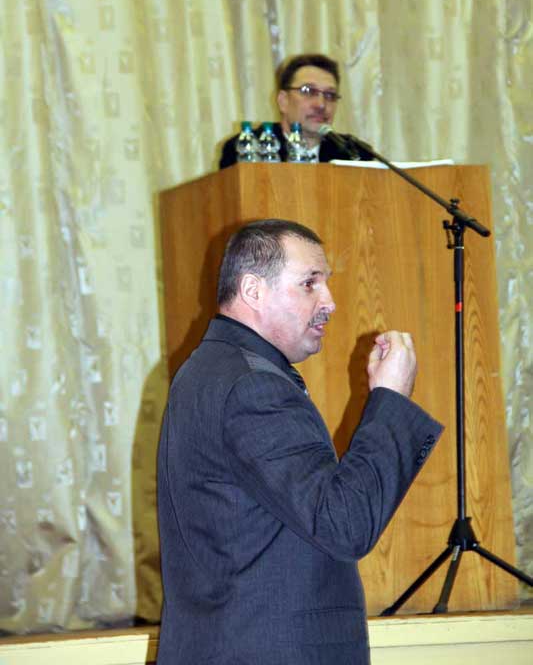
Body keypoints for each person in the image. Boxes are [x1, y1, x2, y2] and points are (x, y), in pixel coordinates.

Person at [156, 219, 443, 665]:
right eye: (310, 283)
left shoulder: (206, 370)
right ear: (253, 290)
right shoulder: (253, 386)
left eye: (326, 282)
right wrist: (390, 401)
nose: (329, 301)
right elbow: (345, 524)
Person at [219, 53, 374, 167]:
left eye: (330, 95)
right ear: (283, 101)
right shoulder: (249, 149)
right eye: (308, 91)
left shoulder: (354, 155)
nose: (321, 104)